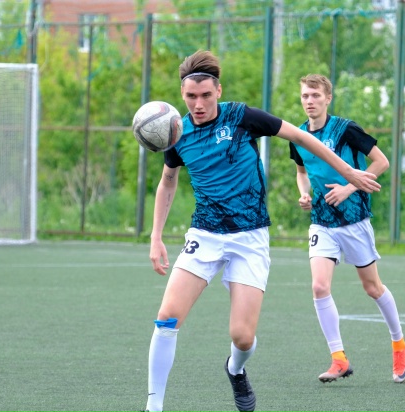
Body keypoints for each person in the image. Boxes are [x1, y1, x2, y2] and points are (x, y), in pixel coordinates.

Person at [141, 51, 381, 412]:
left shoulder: (241, 117)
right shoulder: (177, 132)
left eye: (205, 95)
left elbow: (301, 137)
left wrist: (349, 173)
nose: (198, 104)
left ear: (218, 91)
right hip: (204, 234)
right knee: (167, 318)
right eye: (190, 96)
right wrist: (156, 236)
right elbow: (168, 181)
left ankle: (235, 370)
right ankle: (154, 406)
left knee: (242, 337)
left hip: (250, 238)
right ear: (182, 95)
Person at [289, 74, 405, 385]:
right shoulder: (298, 136)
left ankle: (398, 344)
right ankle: (339, 359)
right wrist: (304, 193)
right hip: (321, 222)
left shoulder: (345, 129)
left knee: (372, 288)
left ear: (328, 98)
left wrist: (349, 187)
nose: (310, 101)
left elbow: (381, 162)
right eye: (305, 96)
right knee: (319, 287)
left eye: (315, 95)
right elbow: (301, 172)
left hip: (354, 220)